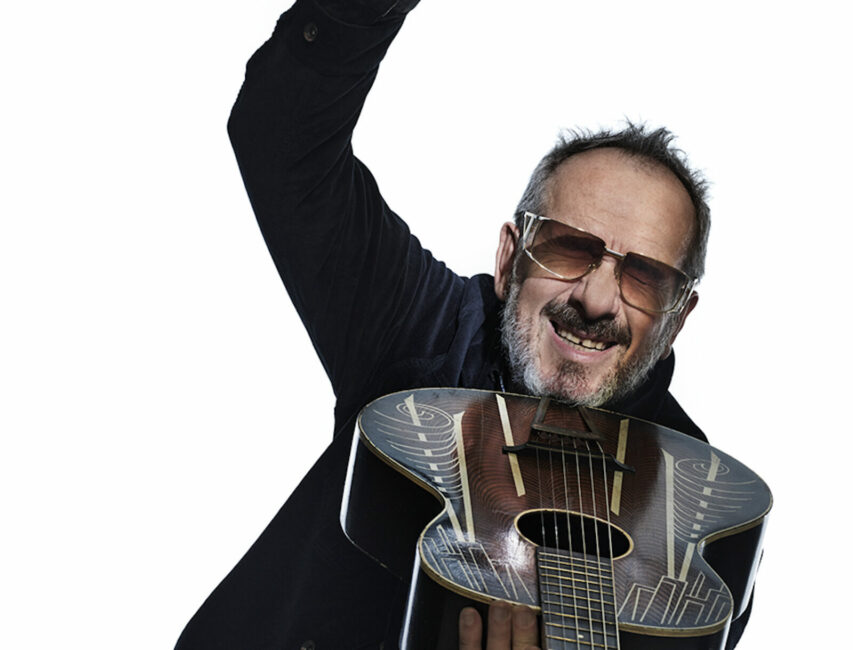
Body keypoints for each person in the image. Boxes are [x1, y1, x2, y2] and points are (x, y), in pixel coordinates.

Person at [176, 0, 752, 648]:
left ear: (678, 319)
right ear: (509, 258)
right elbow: (283, 143)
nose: (596, 298)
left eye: (644, 276)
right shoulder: (422, 331)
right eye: (569, 248)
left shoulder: (702, 516)